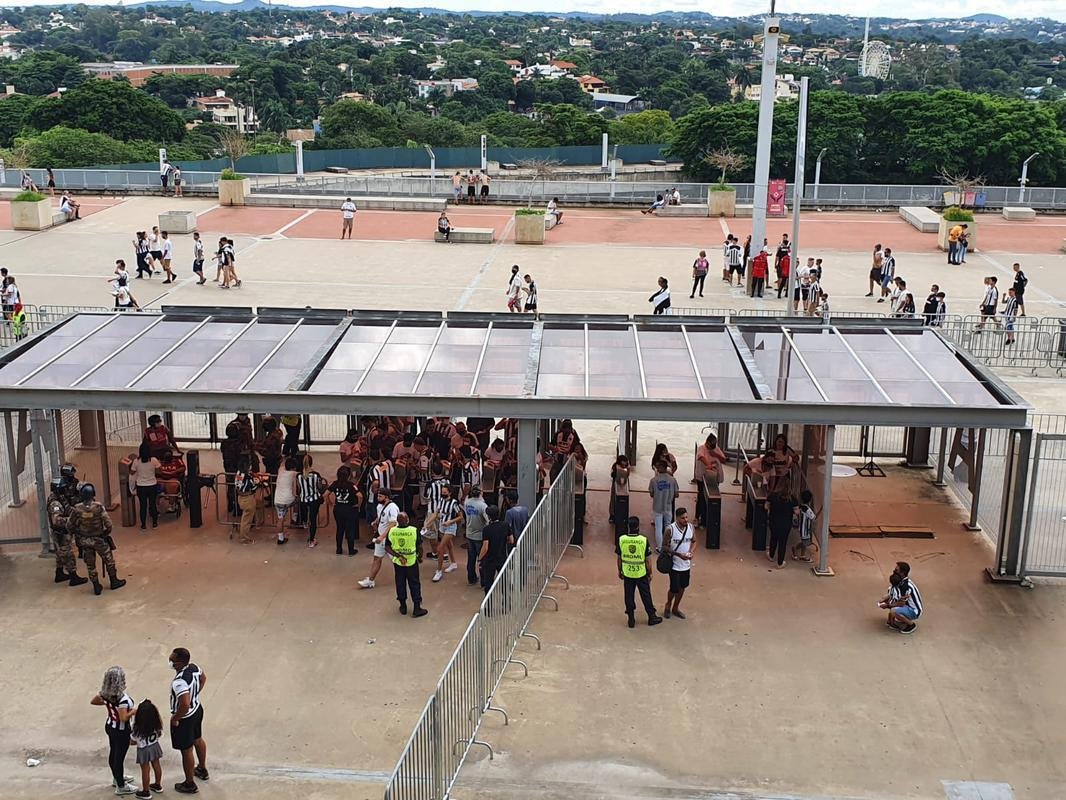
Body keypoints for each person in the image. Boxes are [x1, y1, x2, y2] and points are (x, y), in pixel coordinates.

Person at [69, 483, 125, 595]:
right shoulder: (98, 507)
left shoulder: (77, 509)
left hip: (85, 541)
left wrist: (78, 534)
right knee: (108, 559)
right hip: (99, 539)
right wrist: (105, 534)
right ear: (93, 494)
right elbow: (108, 524)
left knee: (90, 565)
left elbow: (69, 526)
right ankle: (114, 581)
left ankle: (96, 586)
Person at [91, 665, 137, 796]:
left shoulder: (105, 694)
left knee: (113, 752)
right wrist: (133, 711)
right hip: (121, 731)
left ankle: (117, 777)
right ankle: (121, 785)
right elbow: (123, 718)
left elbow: (94, 701)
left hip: (110, 726)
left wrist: (108, 705)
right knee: (119, 757)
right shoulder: (122, 699)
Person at [168, 647, 208, 794]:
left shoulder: (179, 683)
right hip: (197, 709)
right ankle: (202, 769)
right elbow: (203, 678)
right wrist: (195, 695)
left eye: (172, 660)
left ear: (179, 663)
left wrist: (175, 718)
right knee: (198, 739)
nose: (170, 662)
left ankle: (189, 783)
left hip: (185, 718)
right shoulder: (194, 667)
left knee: (186, 750)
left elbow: (184, 704)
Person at [618, 516, 663, 628]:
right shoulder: (643, 540)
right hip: (641, 573)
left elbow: (619, 558)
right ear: (638, 526)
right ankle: (651, 616)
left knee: (628, 595)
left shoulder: (622, 539)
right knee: (646, 595)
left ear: (628, 526)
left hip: (627, 573)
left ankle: (631, 618)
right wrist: (650, 573)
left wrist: (620, 570)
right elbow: (648, 560)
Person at [384, 511, 428, 617]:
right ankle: (417, 608)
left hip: (398, 562)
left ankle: (403, 606)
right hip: (411, 561)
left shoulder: (392, 531)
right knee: (414, 583)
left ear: (397, 522)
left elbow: (387, 547)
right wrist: (419, 557)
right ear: (407, 519)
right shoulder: (413, 531)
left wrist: (398, 556)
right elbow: (420, 547)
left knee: (400, 583)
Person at [48, 476, 87, 586]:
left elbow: (68, 509)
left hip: (63, 531)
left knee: (60, 555)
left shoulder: (60, 497)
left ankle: (59, 573)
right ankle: (74, 577)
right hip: (60, 533)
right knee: (68, 554)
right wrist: (72, 520)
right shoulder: (55, 503)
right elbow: (56, 520)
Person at [359, 489, 399, 589]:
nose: (378, 498)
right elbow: (380, 516)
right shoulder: (379, 506)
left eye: (380, 496)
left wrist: (382, 536)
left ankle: (403, 578)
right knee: (377, 558)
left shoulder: (393, 508)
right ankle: (370, 580)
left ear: (387, 497)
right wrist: (375, 522)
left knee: (397, 560)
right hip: (380, 539)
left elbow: (393, 523)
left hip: (390, 539)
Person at [664, 507, 695, 620]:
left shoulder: (691, 527)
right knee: (674, 588)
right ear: (677, 518)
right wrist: (678, 554)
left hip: (686, 565)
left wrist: (691, 552)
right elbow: (665, 547)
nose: (686, 520)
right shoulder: (670, 529)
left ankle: (676, 607)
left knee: (682, 587)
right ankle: (668, 605)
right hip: (674, 565)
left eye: (686, 517)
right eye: (683, 518)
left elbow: (694, 541)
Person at [131, 698, 164, 799]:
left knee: (145, 770)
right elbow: (160, 734)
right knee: (157, 765)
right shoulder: (156, 724)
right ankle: (158, 785)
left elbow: (132, 741)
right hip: (154, 746)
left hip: (143, 750)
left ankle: (146, 791)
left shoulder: (136, 728)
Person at [431, 485, 462, 583]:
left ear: (450, 493)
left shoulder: (454, 503)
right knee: (449, 545)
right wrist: (427, 524)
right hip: (442, 526)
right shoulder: (441, 500)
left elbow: (460, 516)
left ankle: (439, 571)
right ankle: (453, 563)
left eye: (445, 492)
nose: (443, 494)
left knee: (440, 548)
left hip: (450, 527)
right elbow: (436, 513)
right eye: (442, 492)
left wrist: (450, 522)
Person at [328, 465, 361, 556]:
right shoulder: (351, 485)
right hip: (349, 509)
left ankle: (339, 549)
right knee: (350, 530)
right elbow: (360, 495)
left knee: (340, 529)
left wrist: (330, 503)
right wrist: (358, 505)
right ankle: (351, 550)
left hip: (338, 509)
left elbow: (325, 494)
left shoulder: (335, 484)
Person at [694, 433, 726, 527]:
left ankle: (707, 519)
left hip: (713, 478)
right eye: (711, 445)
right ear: (707, 442)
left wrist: (715, 454)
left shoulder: (716, 449)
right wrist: (708, 465)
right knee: (701, 497)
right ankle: (698, 517)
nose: (712, 447)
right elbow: (701, 457)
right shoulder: (701, 448)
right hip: (702, 477)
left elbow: (724, 459)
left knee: (712, 497)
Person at [478, 504, 511, 593]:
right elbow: (511, 540)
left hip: (490, 560)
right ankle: (506, 602)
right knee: (504, 581)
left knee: (489, 583)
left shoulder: (487, 529)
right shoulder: (505, 525)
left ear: (488, 517)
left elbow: (485, 547)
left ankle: (488, 605)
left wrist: (479, 558)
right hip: (502, 558)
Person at [884, 561, 922, 634]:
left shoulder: (905, 586)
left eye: (896, 570)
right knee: (891, 602)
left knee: (893, 610)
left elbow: (901, 603)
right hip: (907, 606)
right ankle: (891, 622)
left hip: (914, 611)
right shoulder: (901, 581)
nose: (894, 572)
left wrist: (888, 605)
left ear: (902, 573)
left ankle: (911, 625)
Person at [130, 441, 161, 531]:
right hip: (152, 485)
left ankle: (143, 525)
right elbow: (159, 471)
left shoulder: (136, 461)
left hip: (141, 486)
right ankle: (155, 523)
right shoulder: (154, 460)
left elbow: (132, 472)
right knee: (152, 504)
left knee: (143, 506)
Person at [648, 460, 679, 551]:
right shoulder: (672, 480)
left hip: (657, 507)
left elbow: (651, 494)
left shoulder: (653, 480)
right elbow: (676, 494)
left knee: (658, 527)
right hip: (668, 507)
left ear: (660, 468)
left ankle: (660, 548)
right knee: (668, 526)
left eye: (657, 467)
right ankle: (668, 545)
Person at [297, 454, 325, 548]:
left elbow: (298, 488)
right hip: (314, 498)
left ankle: (304, 522)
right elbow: (320, 487)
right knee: (313, 520)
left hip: (303, 499)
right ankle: (312, 540)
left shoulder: (299, 475)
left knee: (305, 515)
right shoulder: (316, 475)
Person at [234, 454, 262, 545]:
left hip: (240, 497)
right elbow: (253, 488)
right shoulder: (248, 478)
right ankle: (244, 538)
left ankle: (259, 522)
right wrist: (257, 482)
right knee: (246, 520)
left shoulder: (238, 473)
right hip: (248, 499)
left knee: (259, 505)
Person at [464, 486, 489, 586]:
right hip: (480, 536)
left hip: (469, 534)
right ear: (480, 493)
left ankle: (471, 578)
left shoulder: (467, 503)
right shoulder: (482, 506)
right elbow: (488, 520)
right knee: (482, 560)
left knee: (471, 559)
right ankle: (484, 582)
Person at [766, 483, 795, 569]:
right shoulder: (792, 499)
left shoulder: (772, 496)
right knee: (783, 542)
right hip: (786, 524)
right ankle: (780, 563)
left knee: (773, 538)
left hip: (773, 521)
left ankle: (771, 556)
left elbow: (766, 506)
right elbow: (796, 511)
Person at [274, 456, 297, 545]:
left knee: (280, 519)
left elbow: (282, 464)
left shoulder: (281, 470)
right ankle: (294, 518)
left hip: (277, 500)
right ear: (292, 468)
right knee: (298, 501)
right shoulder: (293, 473)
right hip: (288, 499)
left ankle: (280, 538)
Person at [790, 490, 817, 562]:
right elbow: (813, 517)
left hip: (801, 527)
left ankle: (802, 554)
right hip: (805, 529)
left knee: (804, 542)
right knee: (805, 542)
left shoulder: (801, 506)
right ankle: (796, 549)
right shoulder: (807, 509)